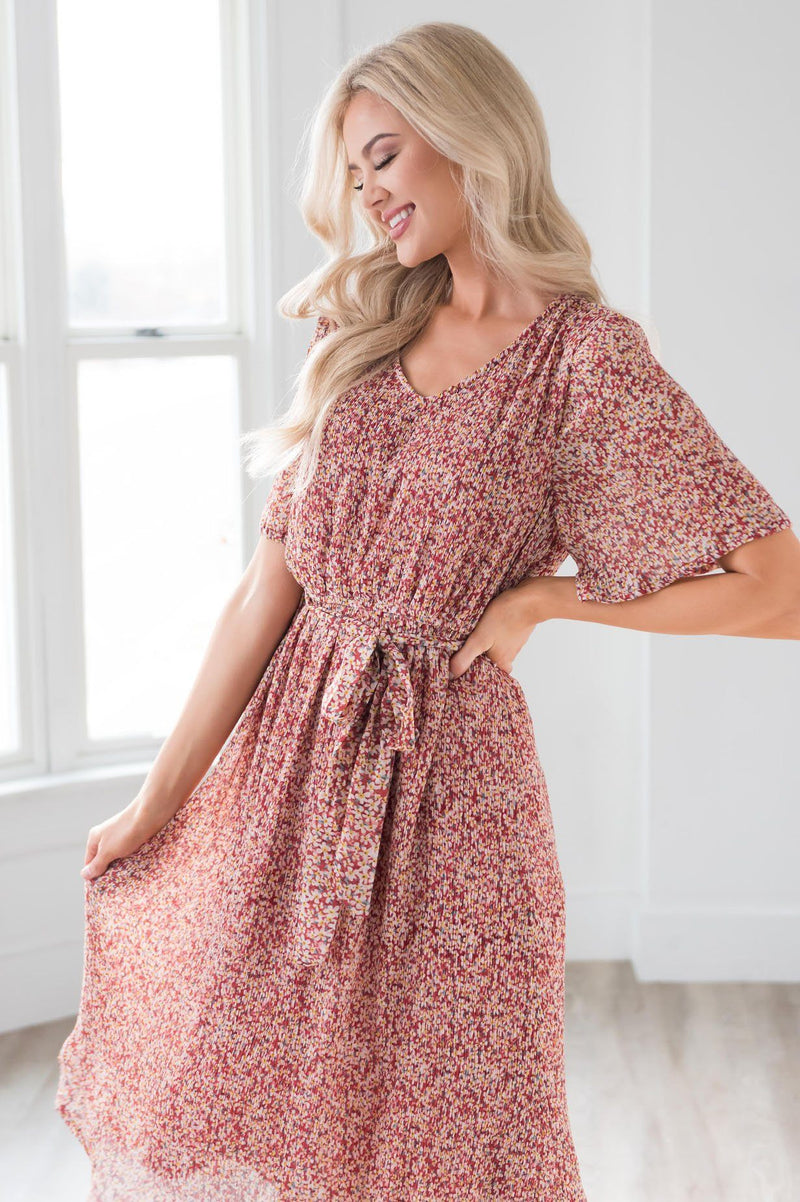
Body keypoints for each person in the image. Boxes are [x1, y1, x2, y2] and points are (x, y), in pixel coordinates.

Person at [54, 20, 798, 1202]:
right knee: (260, 1101)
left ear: (468, 138)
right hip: (289, 777)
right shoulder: (361, 327)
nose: (367, 195)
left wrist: (548, 598)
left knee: (443, 1136)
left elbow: (777, 589)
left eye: (384, 157)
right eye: (353, 173)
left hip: (454, 806)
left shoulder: (584, 360)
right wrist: (157, 799)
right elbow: (265, 591)